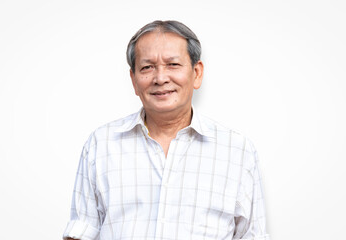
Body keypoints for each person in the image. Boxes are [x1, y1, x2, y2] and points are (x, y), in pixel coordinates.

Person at [63, 20, 270, 240]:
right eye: (147, 67)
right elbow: (81, 232)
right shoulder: (102, 144)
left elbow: (251, 235)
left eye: (173, 64)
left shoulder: (236, 150)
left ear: (197, 73)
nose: (160, 78)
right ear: (133, 80)